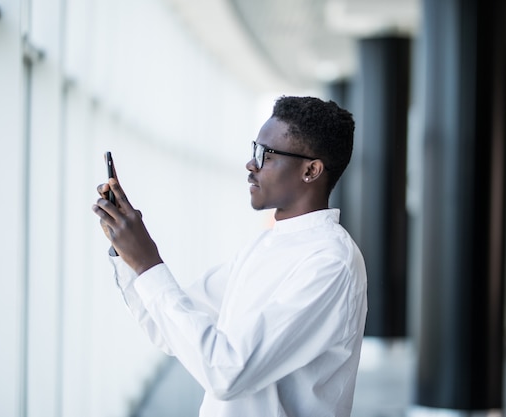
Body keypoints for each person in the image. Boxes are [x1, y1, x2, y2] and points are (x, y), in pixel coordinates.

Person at [92, 96, 368, 417]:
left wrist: (148, 262)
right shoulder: (263, 247)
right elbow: (166, 329)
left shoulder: (331, 263)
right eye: (255, 150)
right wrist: (127, 252)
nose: (251, 164)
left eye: (266, 155)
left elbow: (227, 373)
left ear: (311, 170)